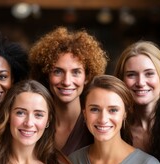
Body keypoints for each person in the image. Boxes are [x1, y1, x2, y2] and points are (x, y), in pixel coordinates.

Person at [28, 26, 108, 156]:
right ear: (46, 75)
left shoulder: (98, 125)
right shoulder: (32, 123)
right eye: (58, 71)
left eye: (76, 72)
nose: (66, 81)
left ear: (87, 77)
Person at [114, 40, 160, 152]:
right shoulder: (114, 128)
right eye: (131, 75)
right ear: (121, 79)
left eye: (149, 73)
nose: (140, 82)